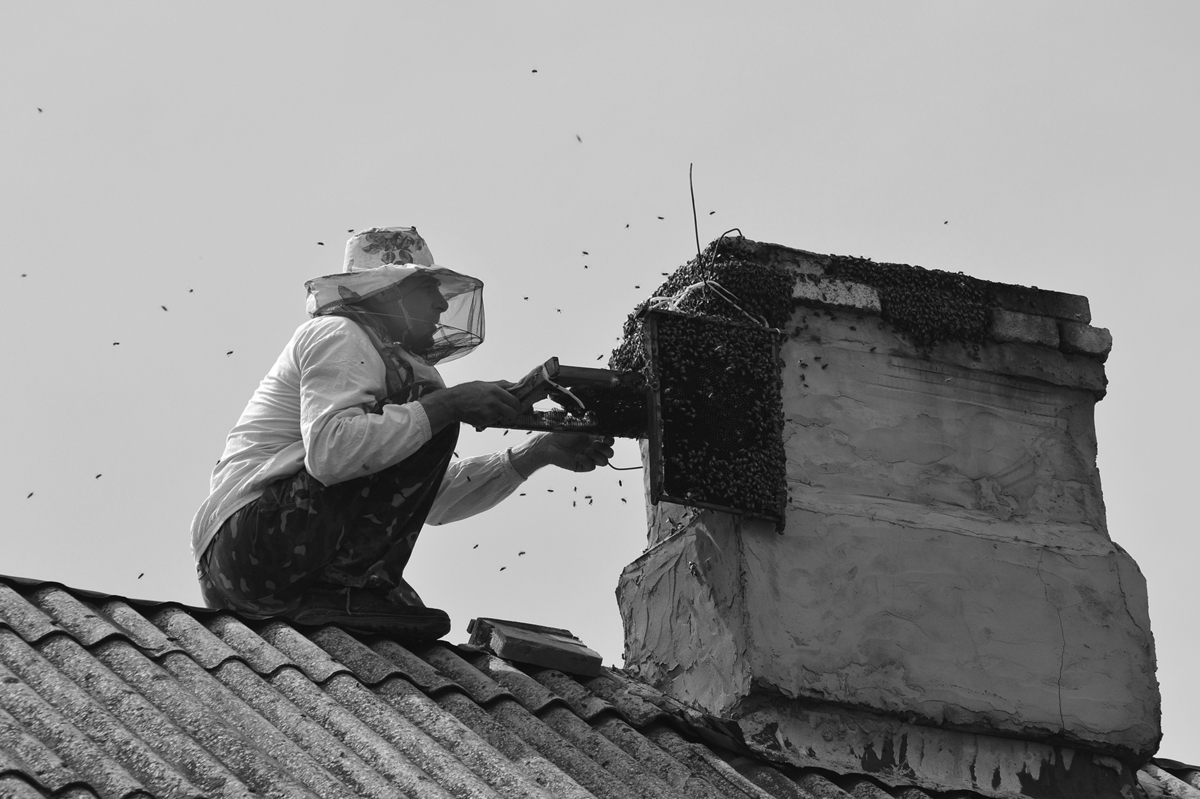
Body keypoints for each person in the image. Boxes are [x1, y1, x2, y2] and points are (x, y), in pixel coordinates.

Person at [190, 226, 613, 639]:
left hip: (255, 569)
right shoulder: (340, 332)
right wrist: (448, 404)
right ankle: (345, 589)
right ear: (385, 293)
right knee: (432, 407)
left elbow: (423, 501)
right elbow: (333, 453)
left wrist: (538, 451)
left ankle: (343, 593)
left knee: (411, 626)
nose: (441, 305)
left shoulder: (395, 363)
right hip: (250, 544)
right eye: (426, 289)